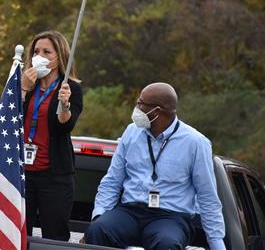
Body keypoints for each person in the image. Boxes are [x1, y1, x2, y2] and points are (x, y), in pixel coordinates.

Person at [84, 82, 226, 250]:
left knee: (166, 243)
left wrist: (217, 245)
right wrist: (99, 215)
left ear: (157, 111)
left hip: (170, 217)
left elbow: (207, 196)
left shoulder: (196, 143)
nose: (136, 107)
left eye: (140, 103)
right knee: (98, 230)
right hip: (130, 211)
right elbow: (112, 181)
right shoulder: (131, 132)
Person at [21, 30, 83, 241]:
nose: (40, 56)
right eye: (36, 51)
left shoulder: (70, 87)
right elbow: (8, 119)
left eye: (47, 52)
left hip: (54, 175)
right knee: (17, 233)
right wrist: (22, 89)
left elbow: (65, 127)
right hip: (21, 173)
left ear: (59, 57)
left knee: (54, 236)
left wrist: (64, 105)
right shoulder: (23, 83)